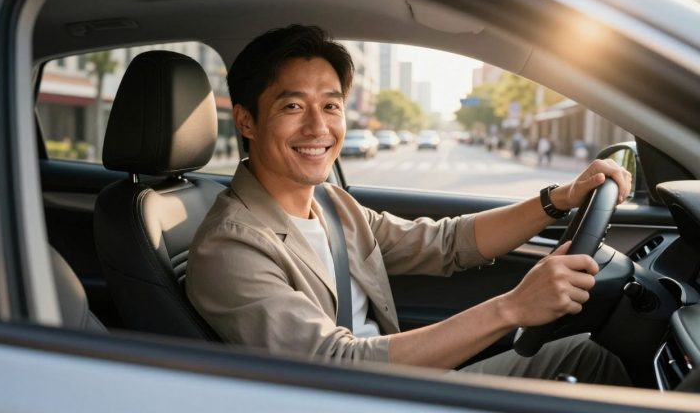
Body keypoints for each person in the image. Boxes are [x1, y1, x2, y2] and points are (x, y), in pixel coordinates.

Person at [186, 25, 632, 385]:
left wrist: (559, 199)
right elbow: (334, 365)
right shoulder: (229, 246)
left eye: (331, 105)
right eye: (293, 107)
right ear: (246, 121)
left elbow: (447, 243)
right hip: (358, 397)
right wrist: (513, 308)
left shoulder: (332, 204)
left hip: (393, 381)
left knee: (591, 355)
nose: (318, 127)